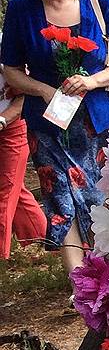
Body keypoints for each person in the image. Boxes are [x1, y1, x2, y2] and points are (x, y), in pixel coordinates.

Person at [1, 0, 109, 275]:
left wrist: (92, 81)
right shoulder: (21, 10)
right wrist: (43, 90)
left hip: (96, 120)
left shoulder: (99, 4)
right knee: (60, 199)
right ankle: (80, 281)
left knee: (102, 195)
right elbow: (11, 71)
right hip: (46, 123)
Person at [0, 56, 46, 259]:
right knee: (15, 189)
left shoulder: (5, 48)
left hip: (13, 126)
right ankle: (42, 238)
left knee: (5, 190)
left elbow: (27, 94)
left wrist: (3, 119)